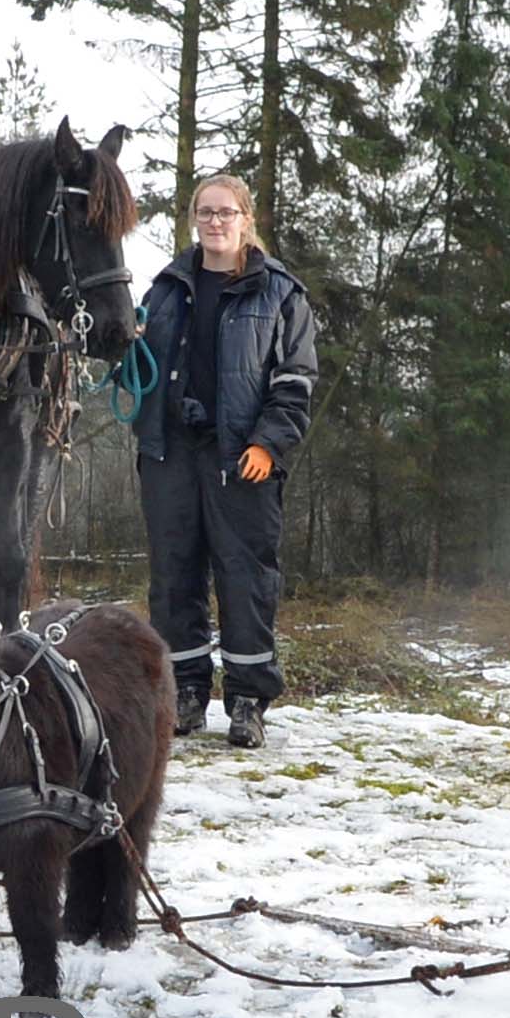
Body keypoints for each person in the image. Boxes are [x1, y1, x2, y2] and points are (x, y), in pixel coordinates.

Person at [132, 173, 316, 747]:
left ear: (246, 219)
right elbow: (132, 359)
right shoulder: (164, 288)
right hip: (170, 453)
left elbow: (296, 380)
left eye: (226, 212)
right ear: (194, 220)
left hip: (241, 459)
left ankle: (246, 700)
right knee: (174, 577)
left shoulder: (280, 292)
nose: (216, 222)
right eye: (206, 212)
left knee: (246, 578)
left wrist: (268, 443)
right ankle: (185, 692)